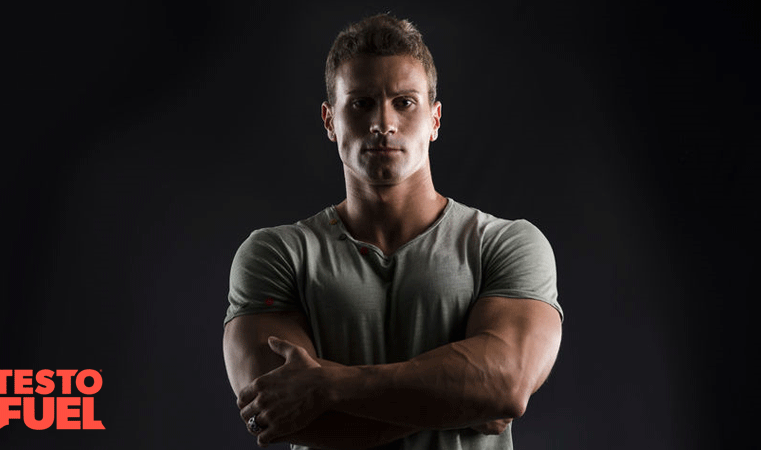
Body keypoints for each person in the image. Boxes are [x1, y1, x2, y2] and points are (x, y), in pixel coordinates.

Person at [222, 13, 563, 450]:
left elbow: (504, 385)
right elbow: (276, 414)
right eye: (361, 103)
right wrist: (461, 399)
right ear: (330, 121)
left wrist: (329, 385)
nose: (383, 123)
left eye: (404, 102)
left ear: (435, 119)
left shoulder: (505, 244)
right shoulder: (276, 255)